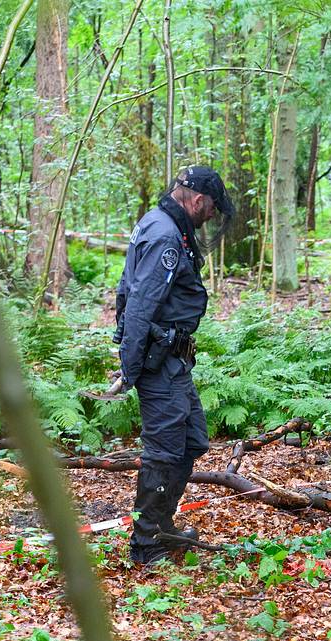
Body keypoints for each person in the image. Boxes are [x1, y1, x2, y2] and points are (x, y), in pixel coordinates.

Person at [114, 166, 234, 565]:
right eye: (212, 207)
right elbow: (140, 304)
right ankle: (147, 543)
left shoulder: (160, 222)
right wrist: (131, 368)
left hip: (174, 361)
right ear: (198, 200)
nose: (213, 216)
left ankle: (162, 528)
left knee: (192, 440)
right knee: (164, 452)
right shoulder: (165, 233)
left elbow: (125, 288)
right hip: (159, 363)